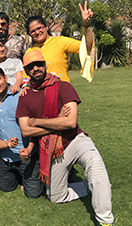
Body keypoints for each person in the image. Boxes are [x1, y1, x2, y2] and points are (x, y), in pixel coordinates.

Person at [16, 51, 114, 226]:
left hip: (75, 140)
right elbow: (25, 130)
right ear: (26, 71)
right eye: (31, 67)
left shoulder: (63, 86)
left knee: (95, 165)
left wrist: (37, 122)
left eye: (38, 64)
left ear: (45, 64)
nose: (36, 68)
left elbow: (70, 123)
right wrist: (57, 120)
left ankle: (105, 220)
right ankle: (88, 186)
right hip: (52, 149)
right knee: (55, 196)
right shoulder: (25, 96)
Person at [0, 67, 42, 199]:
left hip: (25, 155)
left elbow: (32, 126)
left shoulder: (21, 95)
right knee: (6, 189)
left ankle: (31, 173)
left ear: (5, 78)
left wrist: (29, 148)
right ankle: (18, 176)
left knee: (34, 194)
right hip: (5, 157)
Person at [24, 1, 94, 83]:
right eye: (32, 31)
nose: (37, 32)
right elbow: (26, 79)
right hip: (41, 94)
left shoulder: (60, 41)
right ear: (29, 34)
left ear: (46, 27)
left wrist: (86, 25)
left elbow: (87, 47)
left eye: (39, 28)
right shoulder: (29, 52)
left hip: (62, 91)